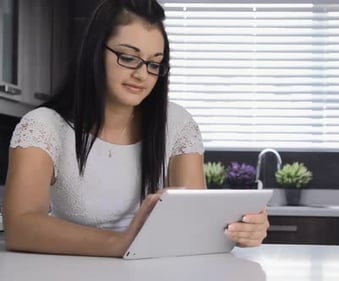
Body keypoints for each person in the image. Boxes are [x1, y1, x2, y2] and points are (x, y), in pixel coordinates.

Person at [2, 0, 269, 257]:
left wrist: (239, 230)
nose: (142, 75)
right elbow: (21, 228)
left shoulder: (177, 124)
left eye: (154, 63)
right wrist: (125, 243)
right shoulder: (43, 126)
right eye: (129, 58)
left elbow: (194, 224)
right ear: (95, 51)